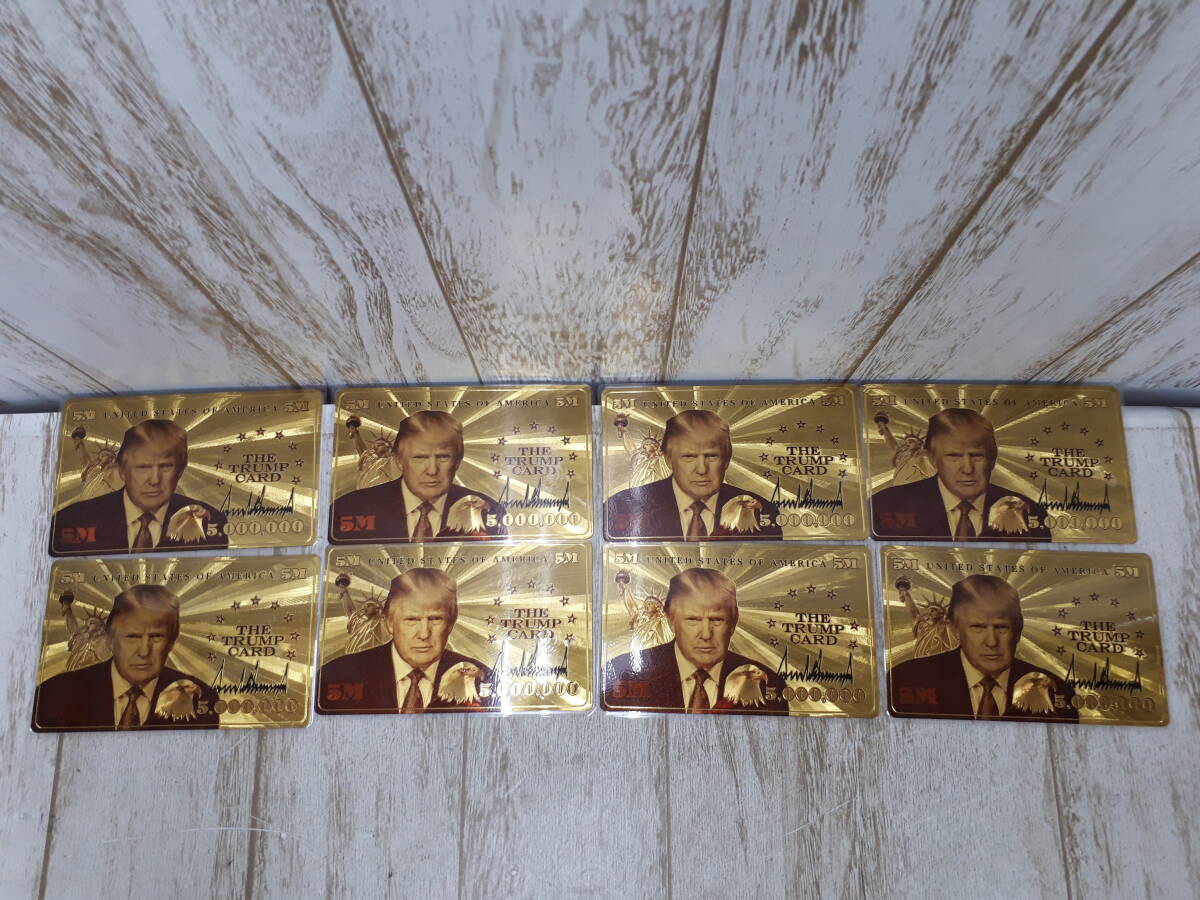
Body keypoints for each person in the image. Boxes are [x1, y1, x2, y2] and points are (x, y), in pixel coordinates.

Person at [889, 574, 1077, 721]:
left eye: (1001, 627)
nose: (991, 642)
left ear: (1018, 631)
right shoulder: (902, 680)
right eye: (978, 627)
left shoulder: (1055, 689)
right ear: (955, 629)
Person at [33, 585, 220, 731]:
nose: (144, 651)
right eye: (132, 637)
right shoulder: (53, 694)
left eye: (156, 637)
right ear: (110, 640)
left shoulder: (202, 699)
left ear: (171, 642)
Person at [604, 568, 788, 714]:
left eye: (717, 620)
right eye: (693, 619)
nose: (706, 634)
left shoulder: (769, 684)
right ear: (671, 620)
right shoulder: (619, 677)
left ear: (733, 621)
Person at [318, 568, 496, 714]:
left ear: (451, 623)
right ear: (389, 622)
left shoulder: (485, 679)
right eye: (411, 619)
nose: (424, 634)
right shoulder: (334, 675)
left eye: (435, 619)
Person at [51, 420, 229, 554]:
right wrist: (78, 441)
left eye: (166, 466)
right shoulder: (69, 520)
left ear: (181, 470)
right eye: (143, 467)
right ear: (123, 470)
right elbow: (84, 460)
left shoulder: (209, 522)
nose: (154, 480)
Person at [871, 408, 1051, 541]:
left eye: (977, 456)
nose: (967, 469)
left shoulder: (1029, 512)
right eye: (954, 456)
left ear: (992, 459)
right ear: (933, 459)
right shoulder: (882, 505)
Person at [330, 411, 506, 543]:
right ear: (399, 460)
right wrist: (354, 431)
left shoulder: (490, 512)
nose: (432, 470)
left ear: (458, 461)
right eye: (420, 457)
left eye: (443, 457)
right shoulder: (346, 510)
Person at [605, 410, 782, 540]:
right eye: (689, 456)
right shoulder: (619, 507)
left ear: (727, 459)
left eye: (711, 456)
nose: (702, 469)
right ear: (668, 460)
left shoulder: (763, 511)